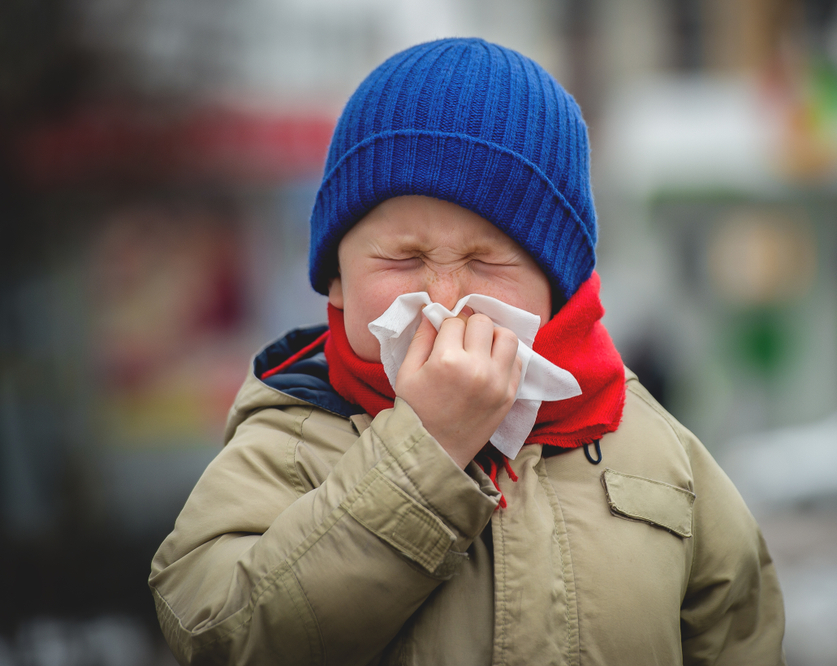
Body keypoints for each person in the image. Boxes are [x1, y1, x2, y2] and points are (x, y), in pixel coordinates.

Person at [149, 37, 785, 665]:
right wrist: (425, 452)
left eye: (487, 260)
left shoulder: (659, 456)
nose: (444, 298)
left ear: (558, 287)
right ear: (337, 280)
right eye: (404, 258)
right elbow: (217, 634)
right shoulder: (287, 443)